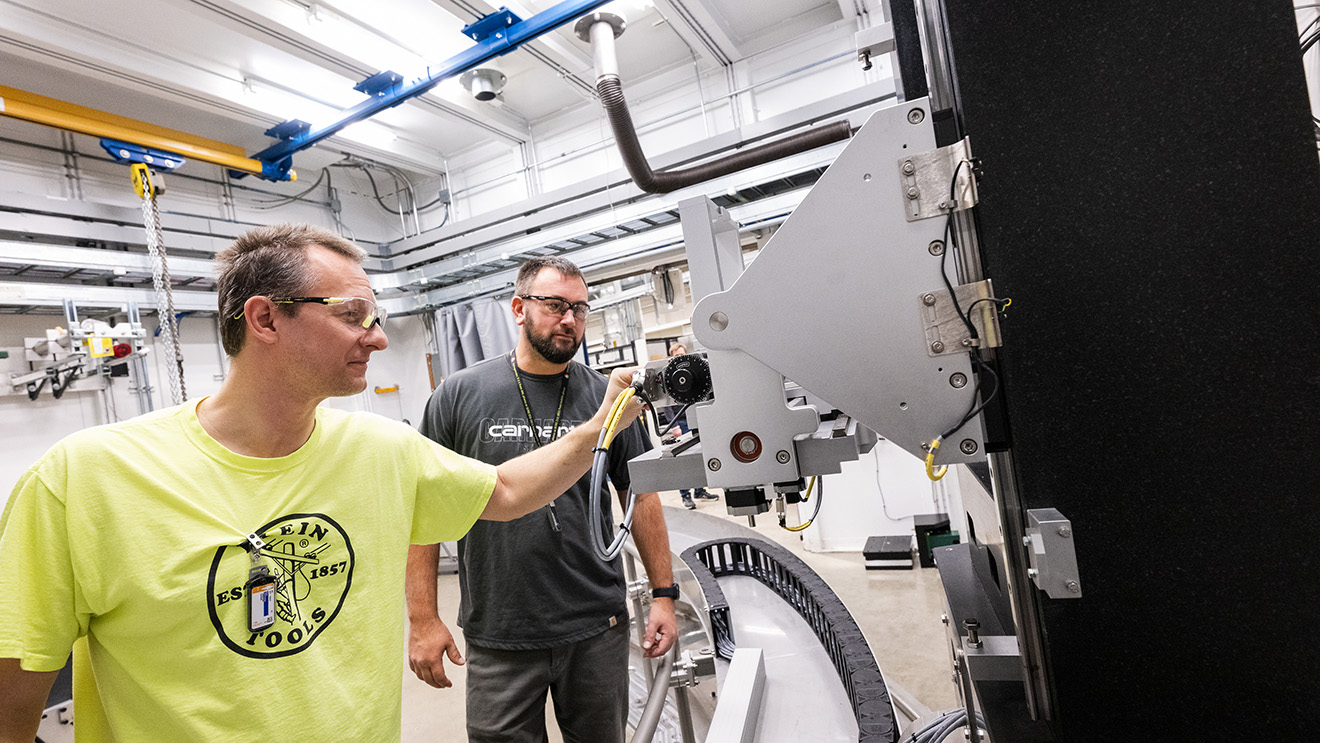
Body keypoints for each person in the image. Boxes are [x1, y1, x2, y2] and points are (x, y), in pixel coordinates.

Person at [0, 224, 644, 742]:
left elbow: (503, 492)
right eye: (353, 314)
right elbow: (12, 702)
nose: (378, 335)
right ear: (266, 319)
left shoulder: (377, 449)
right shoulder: (83, 479)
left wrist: (606, 418)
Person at [406, 257, 678, 743]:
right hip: (501, 629)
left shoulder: (609, 398)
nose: (569, 319)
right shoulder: (459, 396)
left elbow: (642, 495)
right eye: (555, 305)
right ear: (518, 308)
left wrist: (663, 595)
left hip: (595, 623)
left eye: (579, 308)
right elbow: (420, 510)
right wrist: (423, 617)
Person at [663, 343, 716, 509]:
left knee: (699, 455)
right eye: (678, 355)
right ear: (672, 357)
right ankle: (685, 496)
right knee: (683, 460)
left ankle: (699, 490)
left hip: (695, 418)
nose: (681, 357)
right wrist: (674, 426)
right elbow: (666, 404)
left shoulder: (693, 370)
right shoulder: (669, 374)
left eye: (683, 354)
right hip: (680, 421)